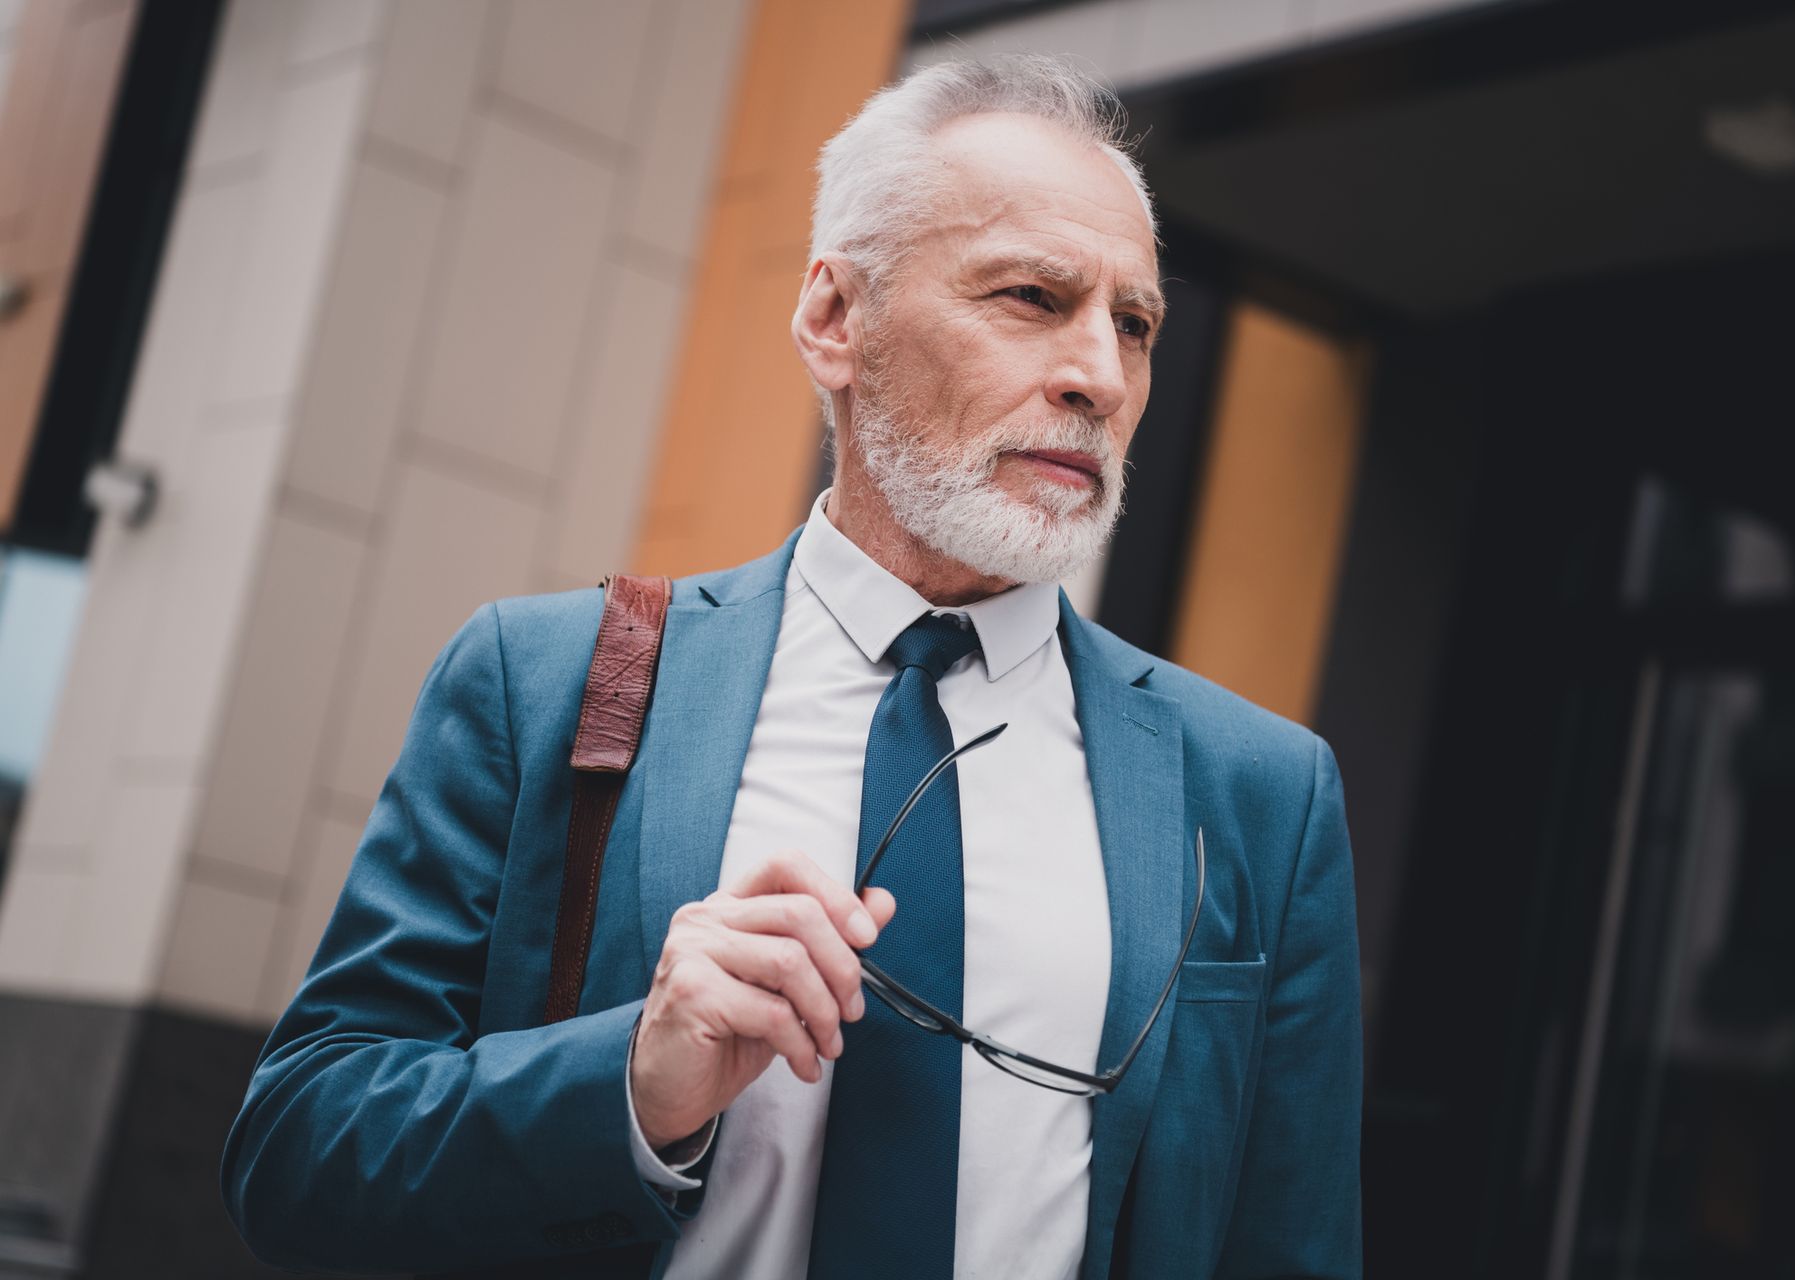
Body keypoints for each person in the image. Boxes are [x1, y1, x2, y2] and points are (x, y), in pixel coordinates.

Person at [222, 55, 1360, 1280]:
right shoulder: (541, 679)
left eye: (1134, 324)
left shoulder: (1260, 791)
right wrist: (630, 1085)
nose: (1101, 375)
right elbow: (297, 1155)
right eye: (1033, 295)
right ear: (834, 319)